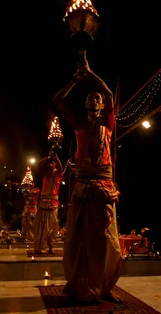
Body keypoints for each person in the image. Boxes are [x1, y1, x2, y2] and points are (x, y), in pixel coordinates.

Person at [54, 59, 123, 304]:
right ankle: (79, 285)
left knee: (107, 237)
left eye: (97, 99)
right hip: (83, 183)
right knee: (78, 237)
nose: (94, 100)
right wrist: (75, 79)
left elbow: (108, 92)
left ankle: (105, 286)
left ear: (103, 105)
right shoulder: (80, 123)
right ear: (85, 105)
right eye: (90, 98)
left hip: (104, 183)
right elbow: (58, 101)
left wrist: (90, 73)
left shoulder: (108, 123)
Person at [33, 149, 63, 254]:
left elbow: (60, 168)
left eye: (53, 163)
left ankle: (50, 247)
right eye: (50, 163)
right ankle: (39, 247)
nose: (51, 164)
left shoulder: (57, 175)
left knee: (51, 226)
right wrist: (48, 157)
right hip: (43, 202)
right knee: (41, 225)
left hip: (53, 202)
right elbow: (39, 164)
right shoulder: (45, 174)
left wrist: (56, 158)